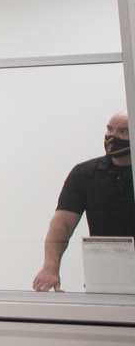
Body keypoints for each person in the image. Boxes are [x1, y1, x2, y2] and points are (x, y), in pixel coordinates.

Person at [33, 113, 132, 292]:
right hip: (107, 280)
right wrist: (50, 267)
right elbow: (62, 224)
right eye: (110, 129)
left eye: (123, 131)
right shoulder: (85, 173)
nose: (113, 136)